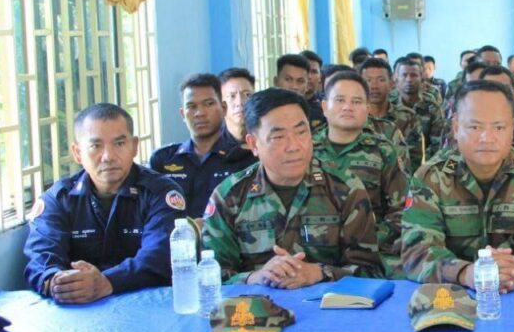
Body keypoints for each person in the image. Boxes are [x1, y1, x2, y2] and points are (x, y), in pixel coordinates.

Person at [202, 88, 381, 286]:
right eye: (278, 137)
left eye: (301, 132)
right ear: (253, 144)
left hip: (327, 303)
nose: (294, 146)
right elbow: (210, 275)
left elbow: (370, 272)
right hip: (254, 302)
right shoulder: (229, 196)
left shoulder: (346, 188)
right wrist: (254, 277)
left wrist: (320, 273)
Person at [400, 80, 514, 290]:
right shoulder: (431, 178)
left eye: (498, 127)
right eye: (475, 127)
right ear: (456, 128)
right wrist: (466, 274)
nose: (487, 138)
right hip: (454, 294)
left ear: (512, 129)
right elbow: (417, 250)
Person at [24, 104, 185, 302]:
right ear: (77, 152)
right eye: (95, 146)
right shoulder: (59, 199)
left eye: (119, 143)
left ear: (134, 146)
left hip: (146, 304)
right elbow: (41, 256)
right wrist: (56, 282)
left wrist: (106, 282)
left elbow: (160, 257)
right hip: (78, 307)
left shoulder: (160, 192)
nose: (108, 157)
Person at [314, 72, 408, 278]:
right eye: (340, 100)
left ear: (367, 109)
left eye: (356, 101)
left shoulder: (383, 151)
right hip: (315, 248)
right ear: (324, 107)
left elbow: (402, 210)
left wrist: (367, 240)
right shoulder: (306, 149)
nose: (348, 107)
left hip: (371, 250)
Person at [150, 74, 255, 218]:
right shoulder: (163, 160)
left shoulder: (244, 158)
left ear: (224, 108)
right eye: (191, 107)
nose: (199, 113)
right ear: (183, 114)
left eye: (208, 104)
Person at [359, 57, 419, 169]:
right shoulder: (354, 118)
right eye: (368, 80)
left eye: (381, 80)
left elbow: (416, 160)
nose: (374, 86)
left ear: (392, 83)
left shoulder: (407, 118)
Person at [394, 57, 445, 166]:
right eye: (404, 75)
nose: (409, 79)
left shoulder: (431, 107)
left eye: (414, 75)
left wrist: (423, 165)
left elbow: (438, 144)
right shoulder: (389, 104)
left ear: (422, 78)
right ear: (396, 78)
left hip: (425, 166)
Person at [274, 54, 325, 130]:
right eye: (288, 79)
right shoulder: (262, 111)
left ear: (306, 86)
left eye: (300, 81)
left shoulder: (317, 113)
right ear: (275, 81)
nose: (294, 86)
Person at [219, 68, 255, 145]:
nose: (240, 102)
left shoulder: (265, 138)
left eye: (247, 95)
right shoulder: (212, 145)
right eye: (232, 96)